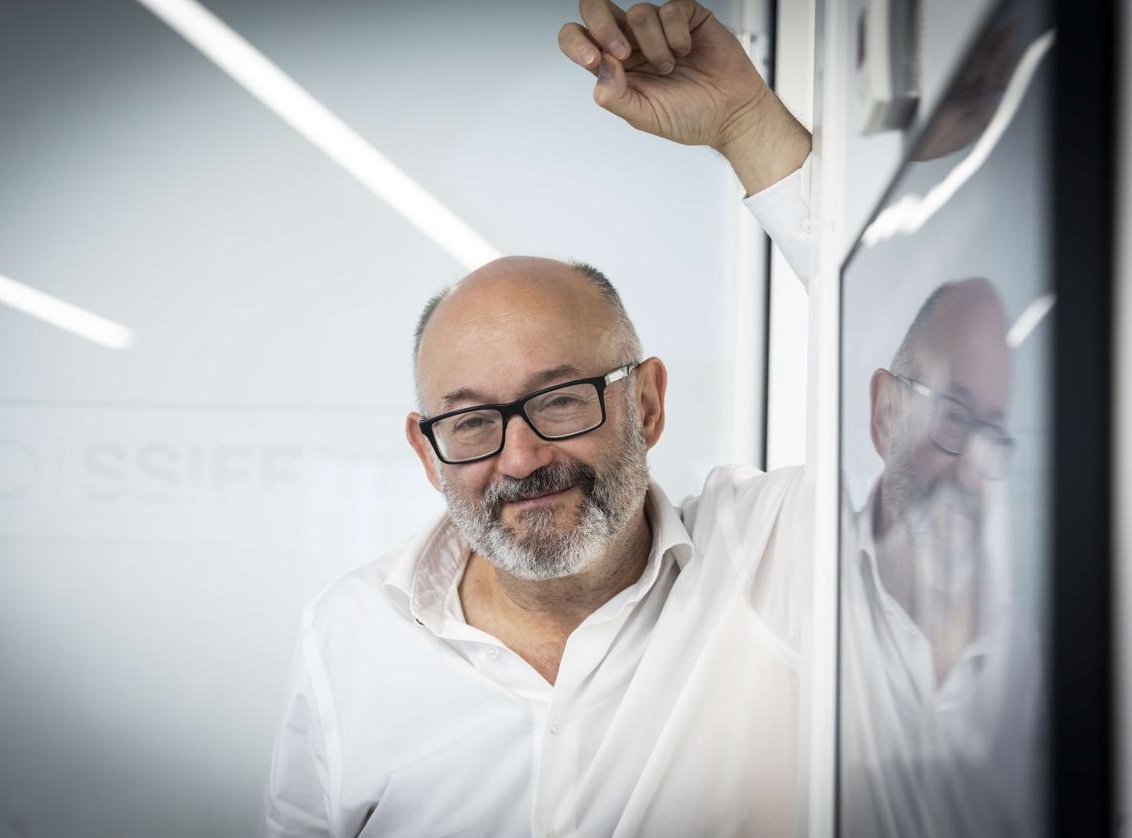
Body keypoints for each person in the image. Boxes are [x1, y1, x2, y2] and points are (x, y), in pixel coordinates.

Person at [262, 2, 817, 836]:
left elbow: (940, 381)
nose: (520, 457)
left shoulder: (779, 563)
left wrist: (747, 123)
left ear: (649, 403)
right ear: (427, 452)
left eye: (560, 400)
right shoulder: (351, 631)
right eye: (473, 421)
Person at [840, 279, 1044, 837]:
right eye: (954, 417)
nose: (971, 471)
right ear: (886, 414)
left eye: (993, 435)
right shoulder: (802, 574)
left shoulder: (1020, 654)